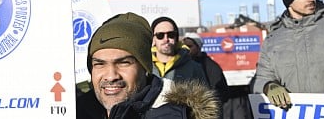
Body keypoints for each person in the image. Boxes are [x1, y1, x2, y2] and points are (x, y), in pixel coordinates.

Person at [76, 12, 220, 119]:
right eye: (100, 64)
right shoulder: (74, 110)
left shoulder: (176, 115)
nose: (111, 75)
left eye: (124, 63)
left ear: (145, 68)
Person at [150, 17, 208, 84]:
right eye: (160, 35)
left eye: (171, 35)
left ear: (176, 37)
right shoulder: (144, 67)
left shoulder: (194, 68)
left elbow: (204, 93)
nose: (166, 39)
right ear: (153, 39)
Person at [182, 33, 229, 104]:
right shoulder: (182, 65)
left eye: (189, 46)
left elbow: (221, 93)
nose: (186, 49)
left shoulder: (211, 67)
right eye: (184, 47)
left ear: (198, 47)